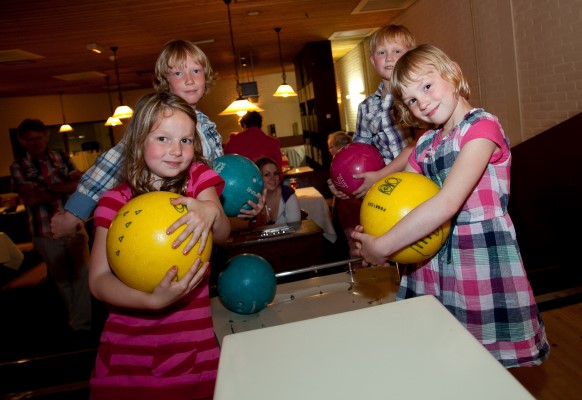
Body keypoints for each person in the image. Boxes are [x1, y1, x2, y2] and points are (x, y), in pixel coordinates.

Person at [353, 44, 549, 368]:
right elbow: (396, 201)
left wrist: (384, 246)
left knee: (483, 364)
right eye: (412, 100)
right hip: (429, 264)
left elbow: (447, 203)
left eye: (427, 87)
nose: (423, 103)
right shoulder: (427, 145)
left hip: (477, 260)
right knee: (442, 358)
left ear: (453, 74)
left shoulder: (481, 128)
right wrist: (373, 233)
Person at [51, 39, 265, 245]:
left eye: (196, 71)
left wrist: (245, 203)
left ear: (205, 76)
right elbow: (112, 164)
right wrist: (73, 214)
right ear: (165, 80)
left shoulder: (208, 128)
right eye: (178, 73)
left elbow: (217, 182)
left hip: (197, 229)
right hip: (158, 225)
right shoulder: (156, 120)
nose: (189, 79)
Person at [89, 92, 230, 399]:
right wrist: (151, 302)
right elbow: (99, 281)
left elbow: (222, 234)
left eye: (186, 140)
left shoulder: (197, 182)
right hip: (129, 353)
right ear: (139, 141)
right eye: (163, 138)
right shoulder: (114, 201)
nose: (176, 151)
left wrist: (210, 212)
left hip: (191, 348)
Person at [10, 119, 92, 336]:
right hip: (43, 231)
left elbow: (79, 184)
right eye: (29, 140)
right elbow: (31, 198)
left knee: (83, 275)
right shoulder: (19, 166)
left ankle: (79, 325)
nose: (35, 143)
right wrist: (62, 187)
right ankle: (77, 321)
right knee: (62, 280)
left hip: (73, 225)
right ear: (22, 141)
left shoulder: (61, 157)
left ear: (45, 136)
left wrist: (46, 186)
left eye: (38, 138)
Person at [328, 24, 419, 200]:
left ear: (411, 56)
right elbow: (357, 154)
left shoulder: (417, 95)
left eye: (397, 51)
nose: (389, 58)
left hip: (419, 180)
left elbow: (420, 143)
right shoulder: (365, 107)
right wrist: (344, 180)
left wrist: (381, 174)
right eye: (382, 53)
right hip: (389, 190)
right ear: (372, 61)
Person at [327, 131, 361, 261]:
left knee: (353, 241)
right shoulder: (354, 156)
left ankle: (357, 270)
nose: (329, 150)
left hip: (350, 206)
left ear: (335, 147)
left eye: (330, 147)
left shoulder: (339, 162)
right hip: (358, 203)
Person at [249, 157, 301, 228]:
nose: (273, 178)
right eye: (267, 174)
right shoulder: (251, 198)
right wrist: (253, 223)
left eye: (275, 173)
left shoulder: (287, 194)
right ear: (258, 178)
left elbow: (295, 228)